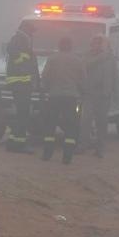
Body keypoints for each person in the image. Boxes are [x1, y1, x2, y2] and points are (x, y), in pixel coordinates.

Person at [40, 36, 85, 164]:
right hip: (71, 97)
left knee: (50, 125)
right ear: (71, 46)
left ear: (59, 46)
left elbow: (45, 77)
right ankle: (67, 156)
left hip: (54, 96)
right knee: (71, 126)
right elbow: (83, 79)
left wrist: (45, 89)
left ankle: (47, 154)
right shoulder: (78, 60)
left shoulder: (52, 59)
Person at [78, 35, 118, 158]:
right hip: (90, 94)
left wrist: (115, 91)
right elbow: (85, 66)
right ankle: (82, 146)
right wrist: (101, 57)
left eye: (100, 43)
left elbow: (115, 75)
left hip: (104, 95)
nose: (97, 45)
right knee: (86, 121)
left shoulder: (111, 58)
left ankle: (100, 149)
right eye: (95, 43)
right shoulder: (87, 56)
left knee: (102, 122)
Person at [4, 22, 40, 153]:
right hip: (21, 83)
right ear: (25, 29)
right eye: (31, 30)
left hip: (20, 82)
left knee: (21, 114)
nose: (33, 33)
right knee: (23, 114)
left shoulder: (21, 39)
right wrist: (25, 57)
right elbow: (15, 55)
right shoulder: (20, 39)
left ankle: (13, 142)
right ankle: (20, 144)